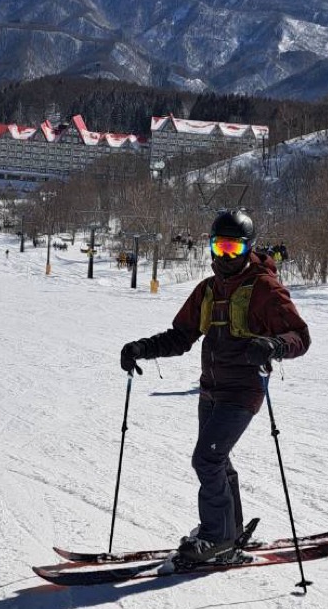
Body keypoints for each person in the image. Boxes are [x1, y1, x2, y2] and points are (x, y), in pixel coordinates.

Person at [120, 208, 310, 566]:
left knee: (206, 458)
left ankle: (216, 538)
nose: (224, 257)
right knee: (218, 460)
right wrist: (142, 348)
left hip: (242, 391)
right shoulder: (207, 289)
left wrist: (274, 345)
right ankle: (230, 529)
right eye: (218, 248)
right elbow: (181, 336)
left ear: (247, 249)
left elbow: (300, 336)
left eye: (232, 250)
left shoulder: (265, 288)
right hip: (210, 390)